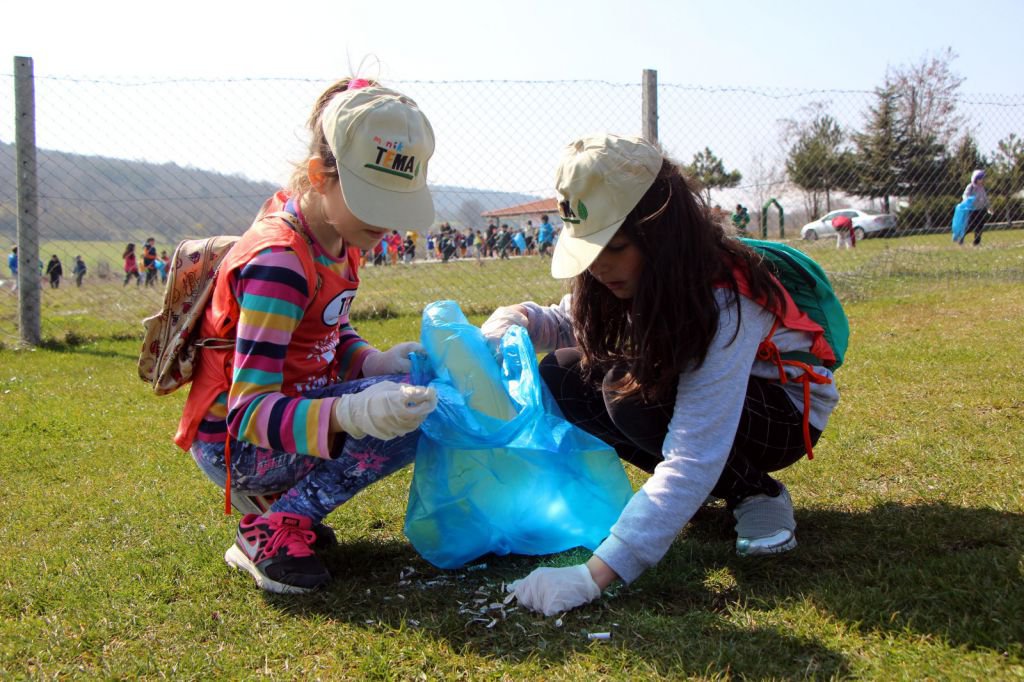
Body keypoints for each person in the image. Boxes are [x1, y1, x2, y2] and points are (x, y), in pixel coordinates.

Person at [482, 134, 839, 616]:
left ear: (661, 234)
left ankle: (756, 492)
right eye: (590, 248)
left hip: (782, 413)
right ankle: (729, 490)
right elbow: (570, 323)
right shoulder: (622, 273)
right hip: (707, 404)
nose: (601, 265)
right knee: (563, 375)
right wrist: (518, 320)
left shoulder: (725, 300)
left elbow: (694, 452)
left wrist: (595, 575)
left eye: (617, 246)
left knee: (631, 391)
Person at [174, 78, 439, 595]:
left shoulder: (336, 236)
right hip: (239, 445)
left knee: (416, 394)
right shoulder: (280, 263)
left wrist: (373, 363)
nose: (386, 221)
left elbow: (329, 328)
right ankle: (269, 530)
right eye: (373, 199)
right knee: (421, 417)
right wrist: (352, 412)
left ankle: (284, 511)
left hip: (286, 419)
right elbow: (247, 413)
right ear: (320, 176)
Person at [960, 169, 990, 246]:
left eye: (983, 178)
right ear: (975, 179)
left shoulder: (981, 188)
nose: (982, 180)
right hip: (972, 210)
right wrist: (968, 200)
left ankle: (976, 242)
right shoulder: (971, 187)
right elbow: (965, 195)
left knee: (980, 226)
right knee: (970, 226)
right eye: (980, 178)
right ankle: (961, 236)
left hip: (980, 209)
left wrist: (988, 207)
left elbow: (985, 198)